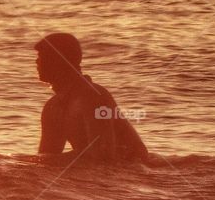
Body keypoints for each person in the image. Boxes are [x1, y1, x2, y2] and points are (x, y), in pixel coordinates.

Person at [35, 32, 148, 162]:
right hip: (109, 175)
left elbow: (103, 156)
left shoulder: (93, 96)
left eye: (43, 56)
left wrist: (52, 161)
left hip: (139, 173)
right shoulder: (53, 108)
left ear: (59, 60)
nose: (37, 61)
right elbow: (45, 160)